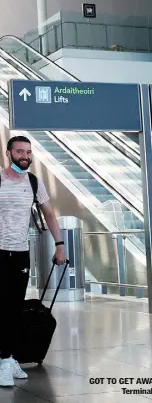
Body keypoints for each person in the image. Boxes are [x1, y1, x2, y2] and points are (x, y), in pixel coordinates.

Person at [0, 136, 66, 387]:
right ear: (9, 154)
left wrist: (60, 245)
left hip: (20, 252)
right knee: (2, 306)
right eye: (19, 151)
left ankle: (7, 358)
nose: (25, 156)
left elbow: (49, 213)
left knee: (15, 307)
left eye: (28, 152)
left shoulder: (33, 182)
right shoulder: (0, 179)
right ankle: (4, 359)